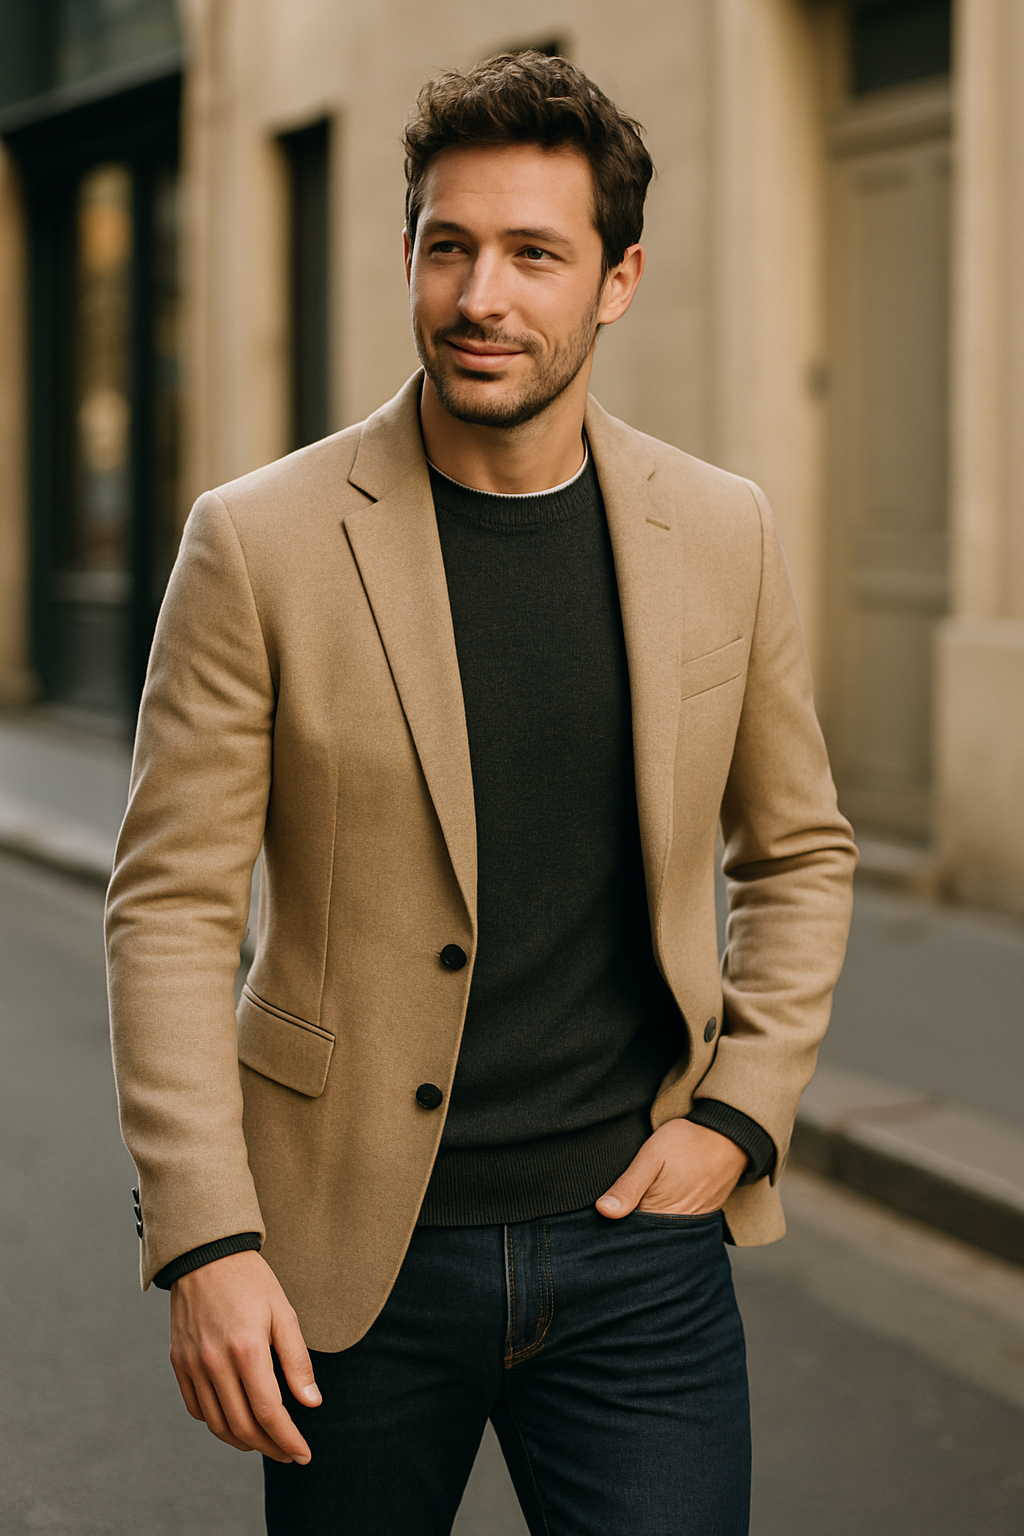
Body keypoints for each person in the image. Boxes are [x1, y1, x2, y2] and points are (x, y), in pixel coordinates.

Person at [106, 51, 856, 1536]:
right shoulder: (257, 543)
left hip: (641, 1255)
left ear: (617, 280)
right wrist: (205, 1239)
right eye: (448, 247)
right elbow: (171, 908)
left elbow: (802, 851)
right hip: (352, 1264)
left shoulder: (721, 531)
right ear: (407, 257)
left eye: (533, 254)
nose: (480, 297)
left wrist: (744, 1110)